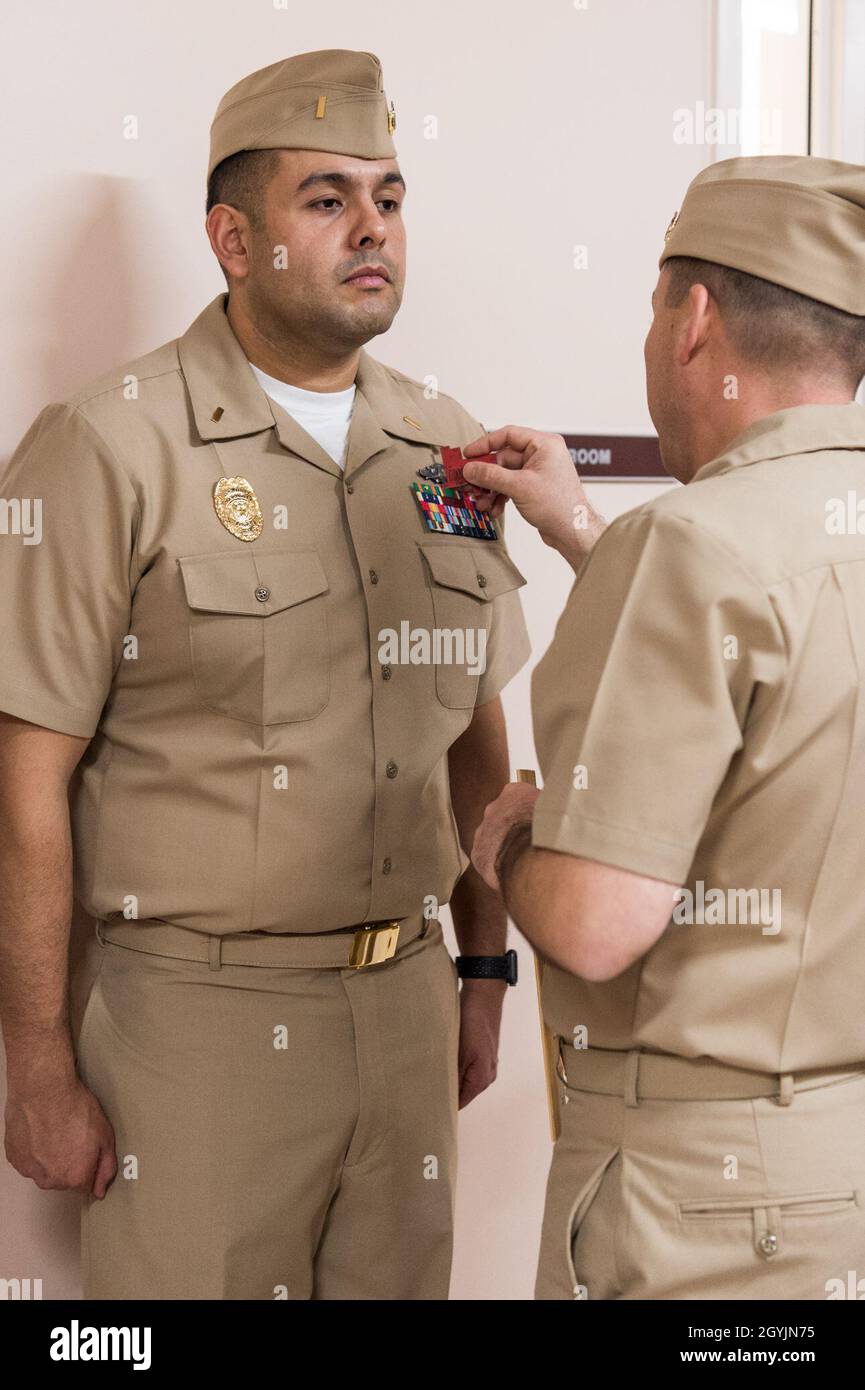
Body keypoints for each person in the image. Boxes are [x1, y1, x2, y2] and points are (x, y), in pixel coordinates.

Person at [0, 48, 530, 1300]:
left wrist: (485, 968)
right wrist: (30, 1057)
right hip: (193, 1025)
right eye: (328, 198)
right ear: (233, 241)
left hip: (406, 1004)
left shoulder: (448, 445)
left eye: (390, 199)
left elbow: (477, 736)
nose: (372, 232)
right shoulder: (107, 445)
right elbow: (27, 779)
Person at [465, 155, 865, 1299]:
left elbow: (596, 929)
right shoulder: (742, 548)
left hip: (707, 1216)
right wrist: (586, 528)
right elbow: (774, 663)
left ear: (692, 321)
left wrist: (507, 840)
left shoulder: (686, 548)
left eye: (653, 309)